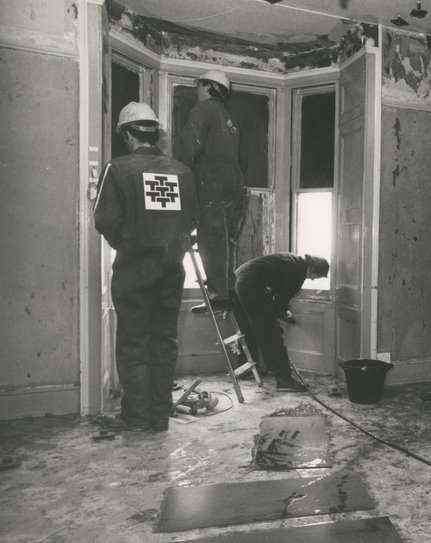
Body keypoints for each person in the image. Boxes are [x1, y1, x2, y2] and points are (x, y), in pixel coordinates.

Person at [94, 102, 200, 432]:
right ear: (156, 134)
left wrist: (129, 243)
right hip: (172, 270)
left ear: (128, 134)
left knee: (133, 343)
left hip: (134, 271)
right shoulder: (183, 172)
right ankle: (160, 415)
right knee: (164, 342)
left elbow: (105, 220)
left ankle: (137, 417)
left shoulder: (117, 168)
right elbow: (192, 221)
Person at [175, 68, 247, 313]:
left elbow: (188, 148)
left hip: (213, 182)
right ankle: (228, 291)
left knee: (210, 237)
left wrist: (177, 178)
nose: (197, 90)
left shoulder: (203, 110)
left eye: (199, 85)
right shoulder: (229, 118)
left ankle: (218, 296)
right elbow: (242, 158)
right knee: (226, 239)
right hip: (235, 183)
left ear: (208, 87)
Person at [233, 253, 330, 392]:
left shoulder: (293, 261)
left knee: (248, 329)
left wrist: (279, 310)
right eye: (316, 276)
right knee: (271, 333)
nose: (313, 279)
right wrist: (284, 314)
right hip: (250, 285)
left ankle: (246, 370)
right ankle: (284, 379)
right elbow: (281, 302)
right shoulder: (298, 273)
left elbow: (277, 297)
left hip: (238, 280)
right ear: (312, 268)